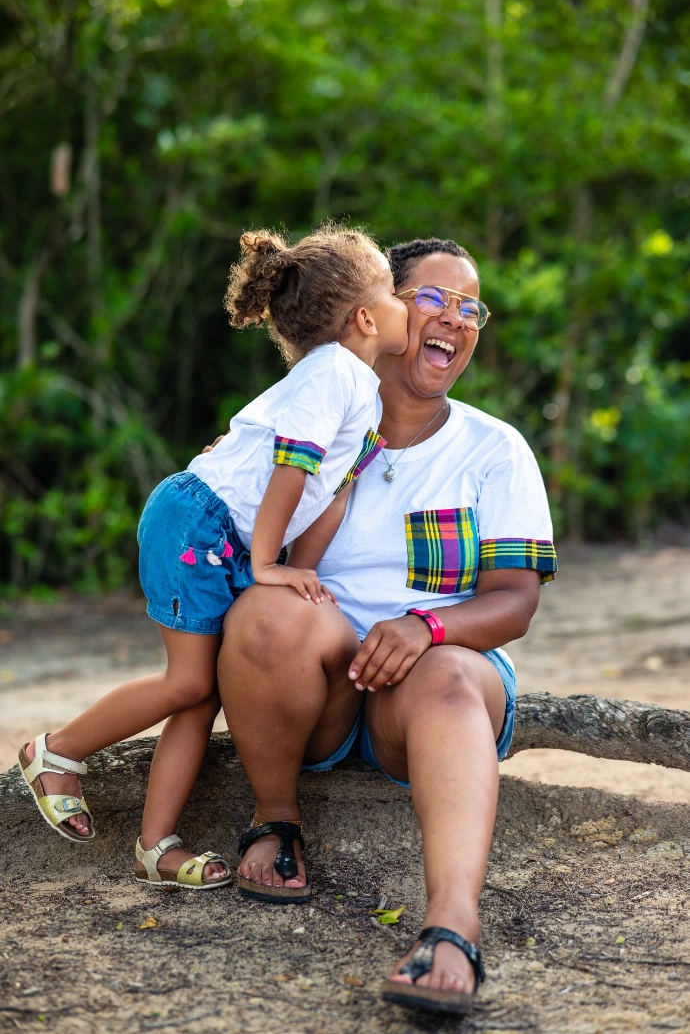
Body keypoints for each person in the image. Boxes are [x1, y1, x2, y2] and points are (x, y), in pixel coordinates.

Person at [217, 237, 557, 1014]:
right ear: (381, 311)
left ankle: (451, 929)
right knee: (268, 610)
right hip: (323, 683)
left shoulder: (493, 449)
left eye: (472, 308)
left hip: (438, 683)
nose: (456, 319)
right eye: (434, 297)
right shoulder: (305, 426)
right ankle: (278, 821)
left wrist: (426, 628)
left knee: (442, 672)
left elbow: (516, 600)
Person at [18, 224, 408, 891]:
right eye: (396, 292)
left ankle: (155, 845)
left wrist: (299, 574)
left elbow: (327, 497)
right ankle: (56, 751)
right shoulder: (337, 370)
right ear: (367, 317)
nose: (406, 303)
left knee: (202, 696)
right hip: (199, 522)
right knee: (189, 683)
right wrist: (267, 564)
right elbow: (293, 466)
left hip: (221, 532)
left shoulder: (360, 392)